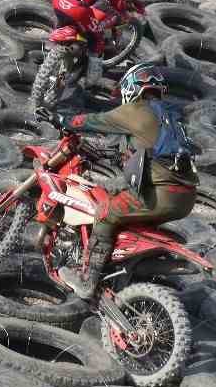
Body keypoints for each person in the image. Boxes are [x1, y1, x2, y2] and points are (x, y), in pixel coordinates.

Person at [52, 62, 199, 301]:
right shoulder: (172, 114)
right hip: (186, 197)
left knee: (105, 212)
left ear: (132, 87)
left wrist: (60, 119)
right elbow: (149, 149)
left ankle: (87, 280)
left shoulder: (134, 110)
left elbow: (91, 121)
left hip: (161, 195)